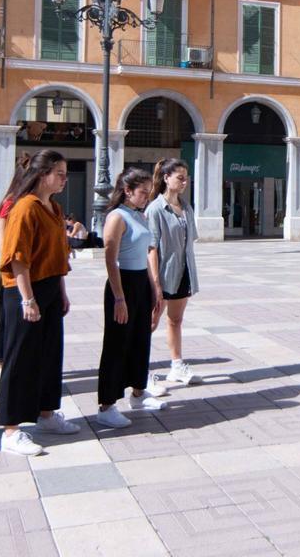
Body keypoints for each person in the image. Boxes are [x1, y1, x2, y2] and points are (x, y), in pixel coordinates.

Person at [0, 149, 81, 456]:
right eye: (59, 174)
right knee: (20, 358)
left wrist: (61, 291)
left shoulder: (54, 208)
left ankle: (46, 414)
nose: (64, 179)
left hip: (50, 287)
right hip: (24, 290)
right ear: (42, 175)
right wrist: (27, 299)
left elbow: (59, 255)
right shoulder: (25, 207)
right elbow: (17, 258)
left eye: (65, 174)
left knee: (49, 354)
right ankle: (11, 429)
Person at [96, 168, 167, 428]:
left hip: (140, 282)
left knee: (140, 340)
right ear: (127, 191)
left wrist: (154, 286)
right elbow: (110, 258)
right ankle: (106, 405)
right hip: (122, 283)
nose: (146, 197)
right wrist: (119, 297)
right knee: (117, 343)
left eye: (149, 192)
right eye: (143, 192)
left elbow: (146, 253)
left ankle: (138, 393)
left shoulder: (140, 215)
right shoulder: (117, 216)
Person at [147, 159, 202, 386]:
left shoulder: (186, 207)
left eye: (186, 178)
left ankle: (177, 365)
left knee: (175, 320)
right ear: (166, 178)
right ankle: (139, 370)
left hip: (184, 271)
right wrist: (156, 282)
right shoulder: (156, 209)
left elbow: (190, 241)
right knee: (150, 322)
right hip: (163, 273)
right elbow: (151, 248)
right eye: (180, 178)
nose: (184, 182)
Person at [0, 152, 31, 388]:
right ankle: (0, 363)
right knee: (6, 319)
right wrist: (11, 264)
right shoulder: (10, 202)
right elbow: (2, 241)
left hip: (30, 272)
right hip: (11, 273)